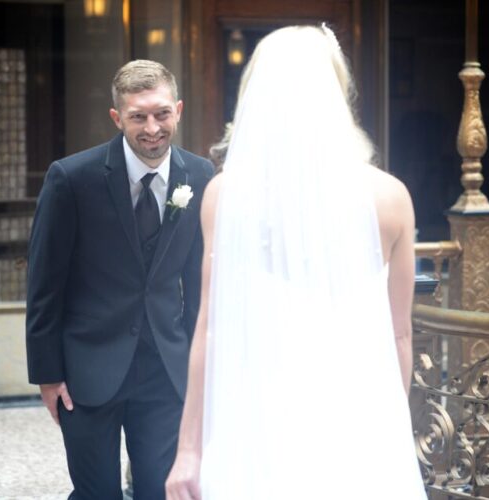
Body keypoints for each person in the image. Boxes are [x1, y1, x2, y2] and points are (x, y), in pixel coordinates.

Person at [165, 25, 426, 499]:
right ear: (336, 93)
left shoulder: (226, 196)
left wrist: (189, 450)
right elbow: (400, 334)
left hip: (257, 425)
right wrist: (390, 431)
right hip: (360, 424)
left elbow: (211, 328)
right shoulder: (391, 198)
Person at [26, 60, 214, 499]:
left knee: (161, 492)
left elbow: (201, 284)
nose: (152, 127)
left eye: (162, 113)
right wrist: (47, 375)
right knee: (97, 494)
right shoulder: (71, 178)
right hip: (86, 370)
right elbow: (44, 286)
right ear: (117, 117)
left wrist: (197, 371)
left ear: (178, 110)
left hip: (166, 372)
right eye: (138, 116)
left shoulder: (201, 176)